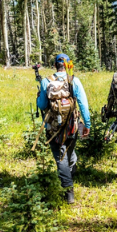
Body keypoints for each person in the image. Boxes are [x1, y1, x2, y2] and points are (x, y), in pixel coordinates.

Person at [36, 54, 91, 204]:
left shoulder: (46, 81)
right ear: (67, 66)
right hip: (72, 126)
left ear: (55, 66)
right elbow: (83, 105)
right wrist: (87, 124)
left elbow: (41, 105)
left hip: (53, 128)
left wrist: (38, 97)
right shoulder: (74, 81)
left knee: (61, 158)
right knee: (69, 153)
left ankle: (68, 191)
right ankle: (69, 174)